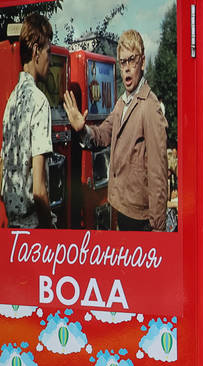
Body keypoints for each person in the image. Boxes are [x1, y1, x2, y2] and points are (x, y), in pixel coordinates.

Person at [63, 29, 168, 231]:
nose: (127, 68)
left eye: (132, 60)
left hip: (140, 219)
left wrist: (158, 229)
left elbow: (158, 174)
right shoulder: (122, 102)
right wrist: (82, 129)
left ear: (143, 62)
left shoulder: (150, 107)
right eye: (123, 62)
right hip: (119, 208)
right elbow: (103, 135)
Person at [1, 12, 54, 229]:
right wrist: (50, 230)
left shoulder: (11, 101)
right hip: (34, 227)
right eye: (48, 52)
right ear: (35, 51)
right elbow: (39, 191)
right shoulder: (39, 101)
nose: (50, 61)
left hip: (13, 226)